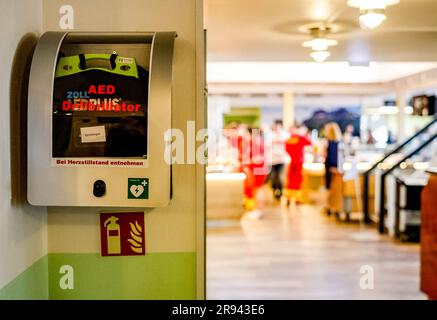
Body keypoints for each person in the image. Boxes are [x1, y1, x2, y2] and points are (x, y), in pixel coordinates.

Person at [238, 127, 268, 211]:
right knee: (255, 189)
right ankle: (256, 209)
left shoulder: (256, 142)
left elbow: (259, 158)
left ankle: (258, 209)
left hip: (258, 169)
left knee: (257, 189)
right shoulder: (251, 142)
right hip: (254, 169)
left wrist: (247, 162)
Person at [284, 124, 312, 206]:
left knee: (292, 180)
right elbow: (309, 143)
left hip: (293, 162)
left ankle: (290, 198)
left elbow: (287, 150)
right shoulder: (299, 138)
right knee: (296, 180)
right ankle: (296, 198)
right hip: (298, 162)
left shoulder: (289, 140)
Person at [267, 120, 290, 202]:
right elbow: (267, 145)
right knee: (273, 177)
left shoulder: (285, 135)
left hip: (282, 160)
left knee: (280, 177)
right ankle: (274, 190)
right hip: (272, 160)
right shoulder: (270, 135)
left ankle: (280, 191)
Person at [324, 122, 344, 190]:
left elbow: (325, 155)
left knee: (329, 186)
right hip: (338, 166)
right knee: (336, 186)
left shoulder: (327, 142)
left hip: (329, 167)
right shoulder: (340, 142)